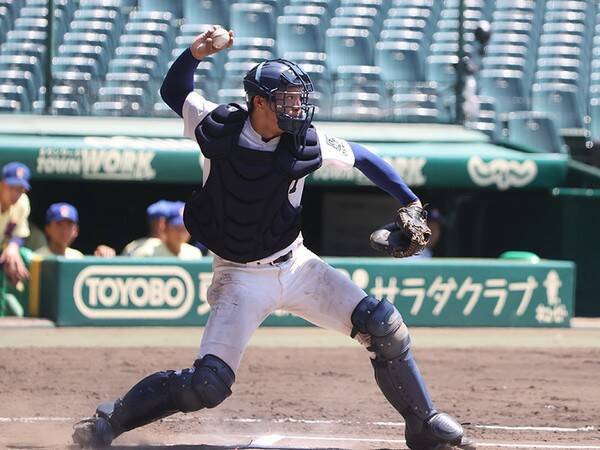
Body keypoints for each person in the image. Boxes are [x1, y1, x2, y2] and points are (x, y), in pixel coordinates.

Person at [73, 27, 472, 450]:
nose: (298, 107)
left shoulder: (306, 141)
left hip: (296, 264)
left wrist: (411, 203)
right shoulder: (218, 126)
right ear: (260, 103)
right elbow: (174, 90)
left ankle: (423, 422)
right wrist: (194, 54)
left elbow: (365, 158)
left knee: (381, 326)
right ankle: (108, 422)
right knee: (208, 385)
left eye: (299, 98)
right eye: (287, 99)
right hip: (239, 277)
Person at [35, 202, 116, 258]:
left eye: (69, 225)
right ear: (47, 229)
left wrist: (103, 255)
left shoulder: (78, 257)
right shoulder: (37, 258)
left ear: (76, 230)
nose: (64, 230)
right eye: (59, 225)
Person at [131, 201, 203, 259]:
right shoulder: (147, 253)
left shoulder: (194, 254)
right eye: (177, 228)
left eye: (186, 228)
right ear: (165, 227)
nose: (181, 233)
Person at [0, 162, 32, 284]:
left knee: (24, 256)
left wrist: (12, 247)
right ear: (2, 185)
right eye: (12, 187)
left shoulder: (22, 202)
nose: (16, 193)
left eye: (20, 189)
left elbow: (19, 234)